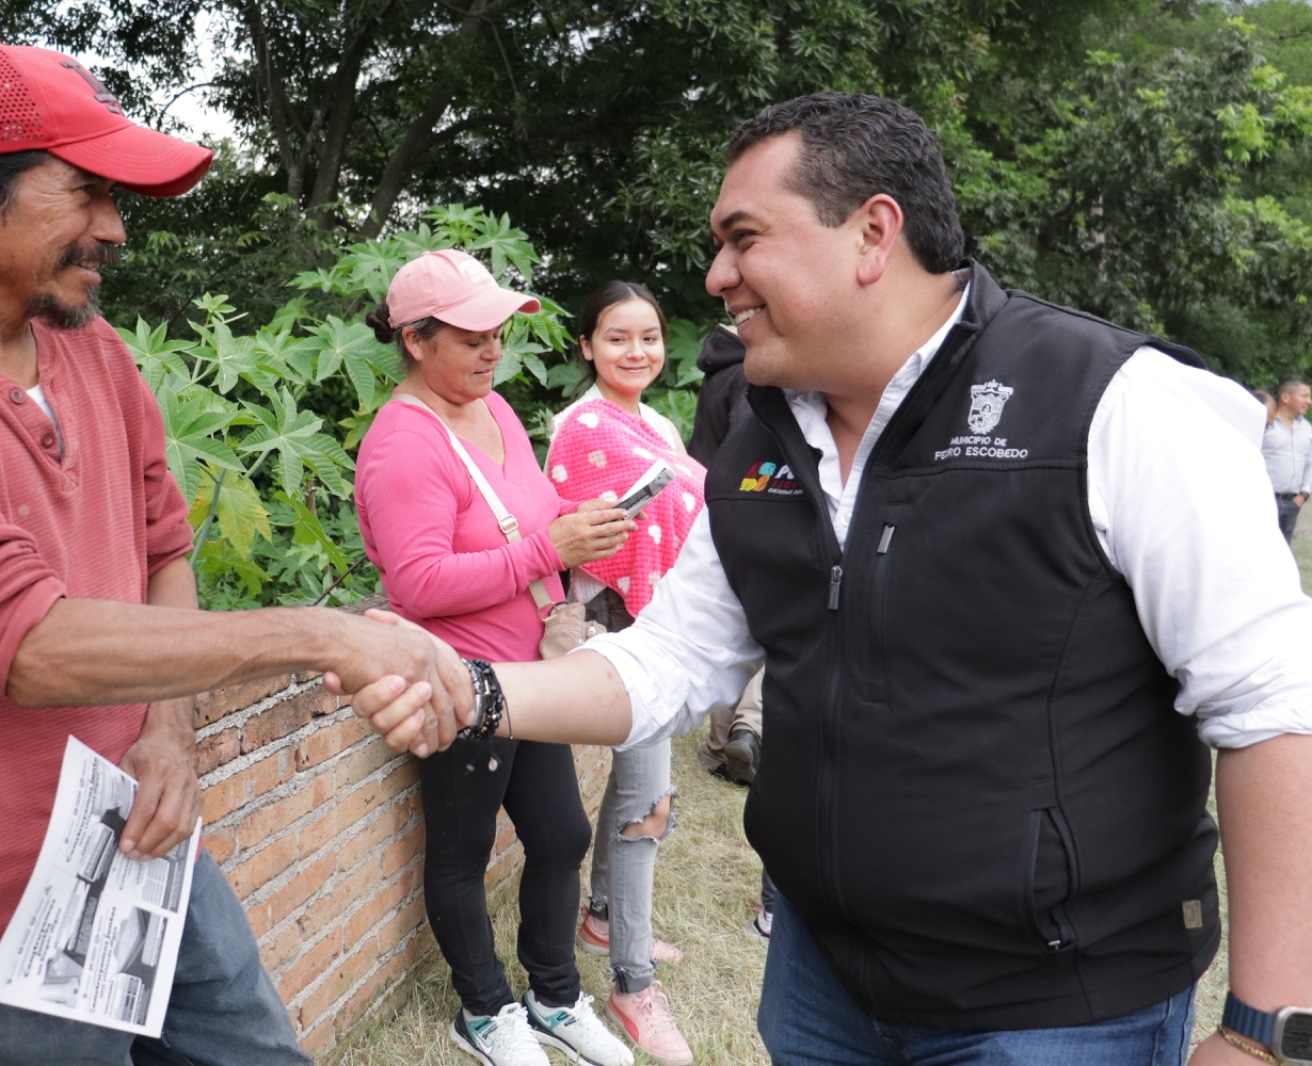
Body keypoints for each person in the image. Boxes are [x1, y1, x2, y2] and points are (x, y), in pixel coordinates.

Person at [342, 92, 1312, 1066]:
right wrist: (472, 689)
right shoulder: (763, 440)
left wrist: (1266, 1031)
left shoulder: (1117, 404)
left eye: (744, 238)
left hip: (1056, 1007)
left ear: (872, 234)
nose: (716, 275)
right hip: (822, 984)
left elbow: (1274, 706)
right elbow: (673, 657)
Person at [0, 42, 468, 1066]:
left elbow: (163, 549)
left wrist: (169, 736)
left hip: (141, 832)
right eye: (86, 192)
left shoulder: (89, 347)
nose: (115, 227)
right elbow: (28, 647)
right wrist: (328, 635)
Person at [353, 250, 637, 1066]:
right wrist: (550, 548)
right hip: (457, 681)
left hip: (528, 679)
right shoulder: (404, 443)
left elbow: (530, 513)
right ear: (415, 340)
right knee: (463, 852)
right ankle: (483, 1010)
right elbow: (418, 581)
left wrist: (580, 519)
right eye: (472, 336)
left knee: (561, 836)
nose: (492, 351)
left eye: (498, 332)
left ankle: (553, 995)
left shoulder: (494, 407)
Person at [546, 281, 704, 1066]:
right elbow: (578, 538)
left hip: (666, 619)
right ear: (587, 346)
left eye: (649, 337)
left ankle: (604, 916)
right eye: (617, 337)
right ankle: (633, 984)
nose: (636, 351)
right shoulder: (577, 427)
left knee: (636, 789)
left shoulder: (659, 425)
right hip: (619, 623)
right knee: (649, 802)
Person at [685, 325, 763, 787]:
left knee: (736, 630)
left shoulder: (719, 366)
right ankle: (744, 730)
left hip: (708, 506)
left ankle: (721, 748)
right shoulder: (750, 372)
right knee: (773, 630)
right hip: (744, 507)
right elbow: (747, 447)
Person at [1261, 374, 1312, 543]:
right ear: (1285, 397)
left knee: (1283, 551)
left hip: (1292, 504)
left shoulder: (1307, 429)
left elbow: (1310, 464)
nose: (1309, 401)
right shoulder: (1266, 424)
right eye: (1304, 396)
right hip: (1264, 500)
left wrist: (1303, 495)